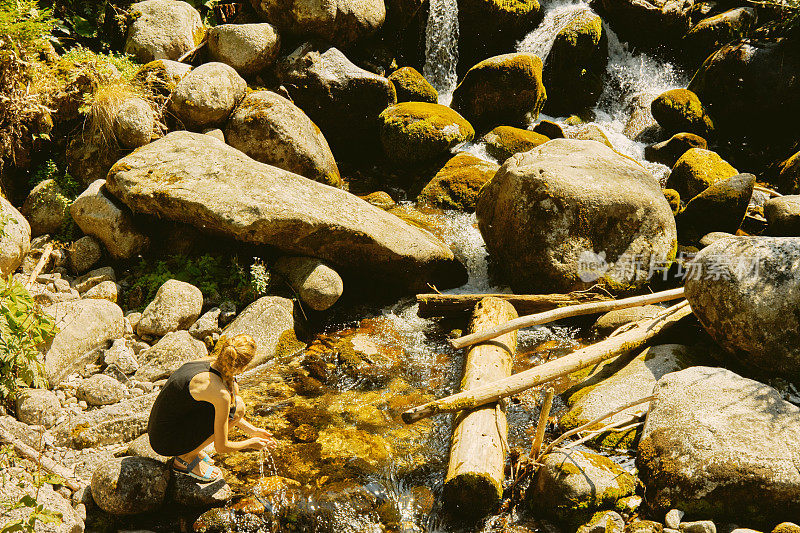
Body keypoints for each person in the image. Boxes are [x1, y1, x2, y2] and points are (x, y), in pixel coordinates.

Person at [147, 334, 273, 482]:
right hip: (164, 442)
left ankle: (191, 450)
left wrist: (251, 430)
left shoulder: (207, 362)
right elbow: (222, 447)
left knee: (236, 404)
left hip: (159, 428)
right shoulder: (220, 393)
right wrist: (251, 444)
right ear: (243, 367)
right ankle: (185, 458)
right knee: (238, 408)